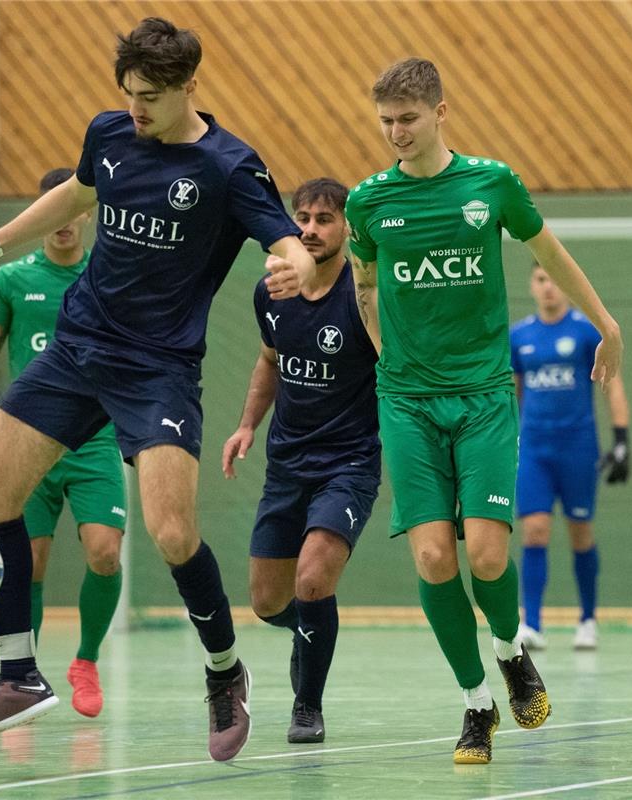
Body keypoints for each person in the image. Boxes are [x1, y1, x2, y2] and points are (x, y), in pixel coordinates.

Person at [0, 18, 314, 759]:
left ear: (189, 88)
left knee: (172, 533)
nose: (137, 108)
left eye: (151, 97)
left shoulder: (229, 166)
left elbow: (281, 234)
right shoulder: (108, 134)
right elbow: (75, 197)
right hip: (78, 349)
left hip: (158, 368)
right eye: (130, 93)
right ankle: (18, 674)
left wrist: (295, 263)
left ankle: (224, 673)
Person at [345, 58, 622, 764]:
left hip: (485, 397)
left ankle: (509, 651)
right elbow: (365, 284)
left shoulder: (491, 183)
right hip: (406, 401)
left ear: (442, 112)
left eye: (408, 118)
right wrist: (387, 356)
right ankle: (476, 704)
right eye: (385, 122)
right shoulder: (368, 202)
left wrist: (606, 324)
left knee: (491, 554)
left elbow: (549, 253)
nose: (396, 133)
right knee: (435, 557)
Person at [0, 168, 126, 718]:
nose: (63, 222)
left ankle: (86, 661)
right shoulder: (13, 279)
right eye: (52, 210)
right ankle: (22, 678)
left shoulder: (106, 277)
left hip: (93, 442)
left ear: (86, 213)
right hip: (28, 442)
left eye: (72, 211)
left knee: (105, 553)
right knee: (29, 563)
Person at [222, 178, 379, 744]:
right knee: (268, 602)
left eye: (323, 219)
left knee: (313, 579)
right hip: (286, 464)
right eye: (302, 219)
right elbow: (269, 361)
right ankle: (310, 630)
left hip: (350, 462)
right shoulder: (273, 291)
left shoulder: (364, 293)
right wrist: (245, 426)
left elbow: (396, 370)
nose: (309, 229)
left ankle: (307, 706)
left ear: (346, 229)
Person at [511, 263, 630, 652]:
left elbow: (612, 387)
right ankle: (532, 622)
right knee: (534, 531)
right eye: (541, 280)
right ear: (532, 285)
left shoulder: (584, 332)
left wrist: (622, 440)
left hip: (578, 448)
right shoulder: (519, 337)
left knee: (580, 532)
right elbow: (512, 395)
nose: (549, 288)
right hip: (534, 450)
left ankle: (588, 619)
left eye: (555, 281)